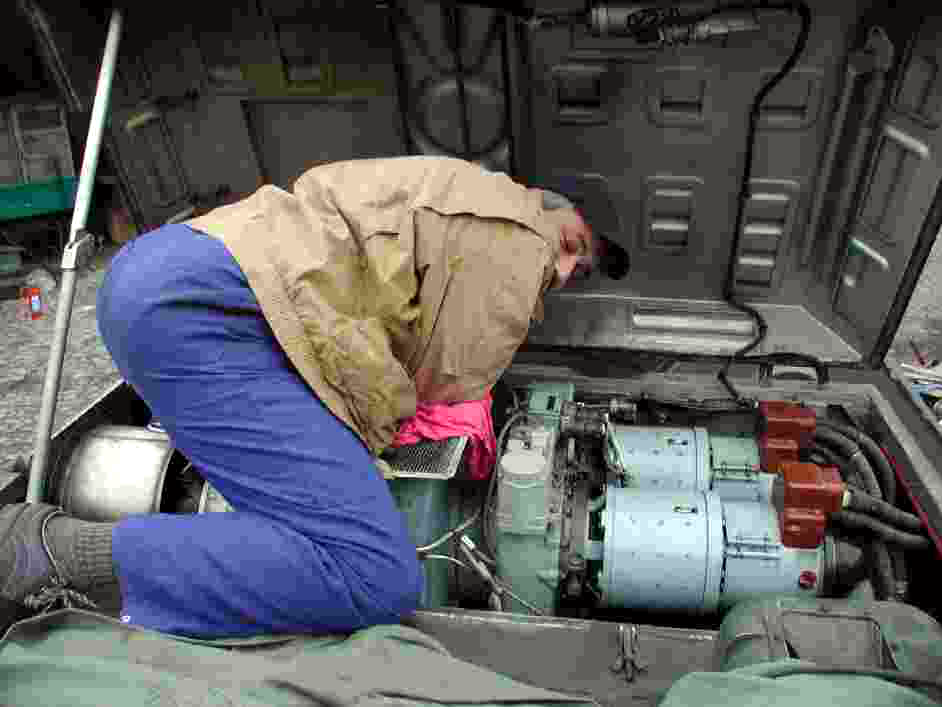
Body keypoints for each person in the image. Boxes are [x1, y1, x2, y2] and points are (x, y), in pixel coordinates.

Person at [0, 156, 630, 638]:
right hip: (209, 314)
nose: (563, 270)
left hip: (174, 280)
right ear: (545, 207)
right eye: (572, 245)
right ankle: (55, 553)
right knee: (374, 575)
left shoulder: (457, 191)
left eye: (579, 271)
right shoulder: (517, 228)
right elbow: (449, 374)